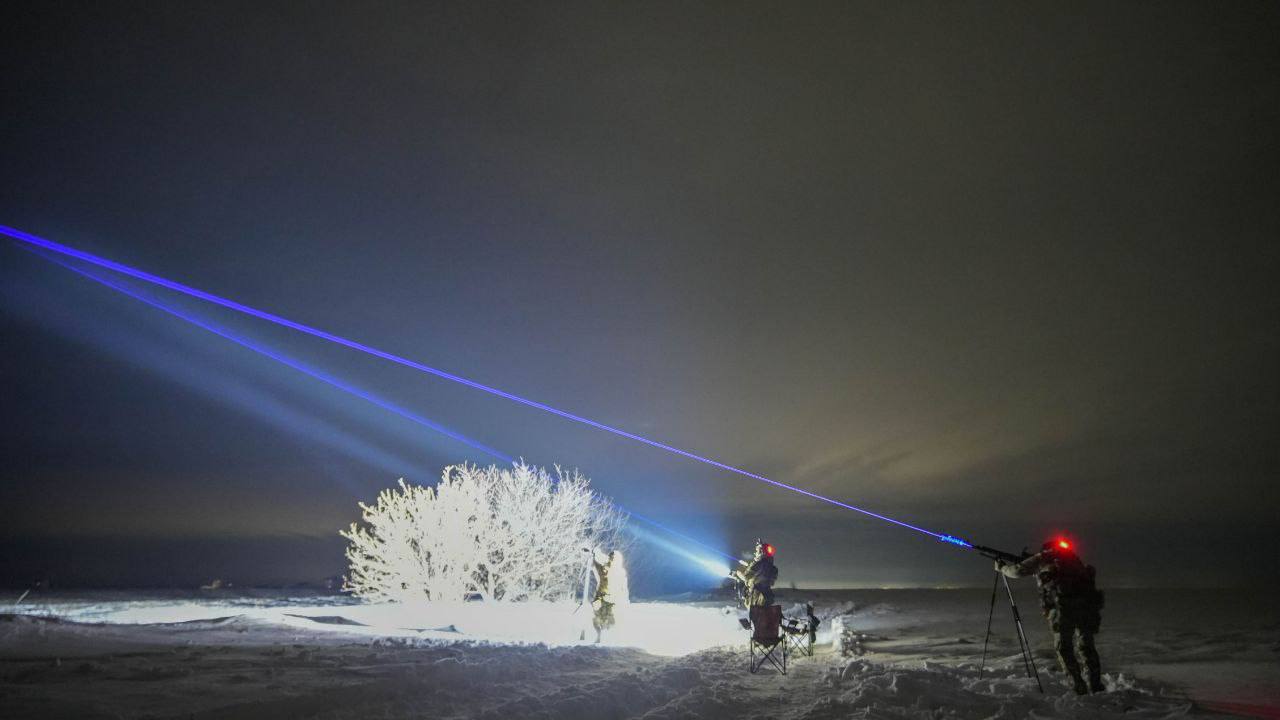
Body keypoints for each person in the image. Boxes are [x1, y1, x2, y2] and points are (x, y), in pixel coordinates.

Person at [997, 538, 1105, 695]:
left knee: (1064, 648)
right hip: (1087, 609)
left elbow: (1016, 571)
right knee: (1086, 647)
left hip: (1063, 610)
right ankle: (1095, 685)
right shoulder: (1074, 560)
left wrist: (1002, 568)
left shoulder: (1043, 557)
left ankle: (1078, 687)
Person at [590, 548, 628, 643]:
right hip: (601, 598)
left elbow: (623, 588)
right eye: (612, 558)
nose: (613, 560)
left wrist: (625, 600)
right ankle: (599, 637)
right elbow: (596, 565)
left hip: (613, 600)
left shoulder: (621, 572)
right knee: (597, 618)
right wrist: (594, 556)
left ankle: (607, 639)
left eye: (615, 558)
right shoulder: (605, 569)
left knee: (611, 620)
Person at [731, 538, 779, 608]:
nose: (755, 553)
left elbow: (746, 577)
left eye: (757, 551)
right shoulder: (772, 567)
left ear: (761, 552)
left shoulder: (757, 564)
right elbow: (769, 579)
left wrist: (737, 573)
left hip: (756, 597)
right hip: (766, 596)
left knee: (756, 613)